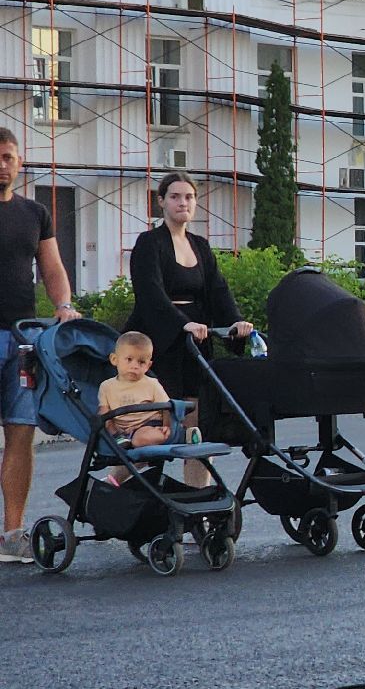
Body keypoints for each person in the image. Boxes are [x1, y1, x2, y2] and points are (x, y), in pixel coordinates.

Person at [125, 172, 254, 485]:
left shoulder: (200, 245)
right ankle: (113, 487)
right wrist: (183, 325)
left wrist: (235, 321)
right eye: (175, 197)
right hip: (159, 343)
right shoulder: (148, 243)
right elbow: (150, 294)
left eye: (189, 197)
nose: (182, 203)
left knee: (197, 427)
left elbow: (218, 291)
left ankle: (197, 506)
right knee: (158, 428)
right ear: (161, 202)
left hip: (196, 344)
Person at [0, 128, 82, 563]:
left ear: (19, 161)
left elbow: (52, 269)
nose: (2, 165)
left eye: (8, 157)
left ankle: (12, 533)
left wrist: (64, 306)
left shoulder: (34, 213)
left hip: (23, 338)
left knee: (20, 432)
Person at [97, 331, 174, 485]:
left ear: (148, 365)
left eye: (141, 362)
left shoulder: (151, 383)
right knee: (106, 422)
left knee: (141, 439)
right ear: (115, 359)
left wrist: (167, 425)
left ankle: (180, 434)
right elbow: (104, 410)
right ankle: (122, 439)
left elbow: (166, 406)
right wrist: (106, 425)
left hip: (147, 424)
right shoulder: (106, 386)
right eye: (129, 360)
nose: (134, 366)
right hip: (121, 429)